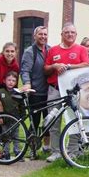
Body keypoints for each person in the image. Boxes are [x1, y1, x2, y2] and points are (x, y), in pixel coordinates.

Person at [43, 23, 89, 162]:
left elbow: (86, 64)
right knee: (53, 121)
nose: (70, 35)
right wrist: (54, 66)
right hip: (55, 90)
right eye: (67, 32)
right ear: (62, 34)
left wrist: (69, 66)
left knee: (75, 120)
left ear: (76, 35)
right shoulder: (53, 50)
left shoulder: (81, 49)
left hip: (73, 92)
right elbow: (45, 68)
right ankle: (56, 151)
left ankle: (72, 151)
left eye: (72, 33)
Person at [20, 26, 51, 155]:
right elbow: (25, 70)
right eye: (40, 34)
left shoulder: (50, 50)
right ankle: (32, 149)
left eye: (45, 34)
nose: (43, 36)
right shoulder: (29, 51)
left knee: (49, 121)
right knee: (35, 122)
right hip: (36, 93)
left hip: (49, 92)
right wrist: (27, 83)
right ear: (34, 36)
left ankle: (46, 146)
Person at [0, 71, 26, 161]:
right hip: (5, 120)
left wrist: (23, 116)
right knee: (6, 137)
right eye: (9, 80)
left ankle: (17, 153)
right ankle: (6, 153)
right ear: (4, 81)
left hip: (15, 120)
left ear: (16, 82)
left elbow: (22, 105)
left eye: (13, 80)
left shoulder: (17, 93)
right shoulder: (0, 92)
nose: (11, 82)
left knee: (16, 137)